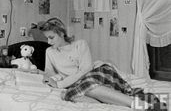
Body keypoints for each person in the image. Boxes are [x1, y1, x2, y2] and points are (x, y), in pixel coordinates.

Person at [38, 17, 166, 110]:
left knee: (85, 84)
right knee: (70, 95)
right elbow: (48, 72)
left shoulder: (80, 44)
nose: (48, 42)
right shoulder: (49, 51)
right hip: (79, 83)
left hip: (97, 72)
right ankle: (114, 101)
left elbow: (85, 69)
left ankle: (137, 104)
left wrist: (60, 84)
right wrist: (47, 78)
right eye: (46, 38)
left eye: (51, 38)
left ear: (61, 33)